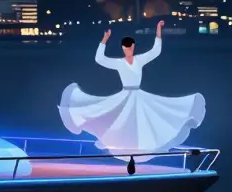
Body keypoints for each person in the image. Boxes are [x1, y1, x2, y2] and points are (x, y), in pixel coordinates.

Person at [58, 21, 205, 159]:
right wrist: (105, 39)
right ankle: (124, 147)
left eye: (130, 47)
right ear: (123, 48)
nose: (128, 49)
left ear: (133, 47)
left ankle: (140, 148)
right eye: (126, 47)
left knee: (143, 120)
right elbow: (99, 59)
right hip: (125, 95)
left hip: (137, 95)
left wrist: (158, 30)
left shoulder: (139, 60)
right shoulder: (119, 63)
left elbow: (155, 51)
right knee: (121, 121)